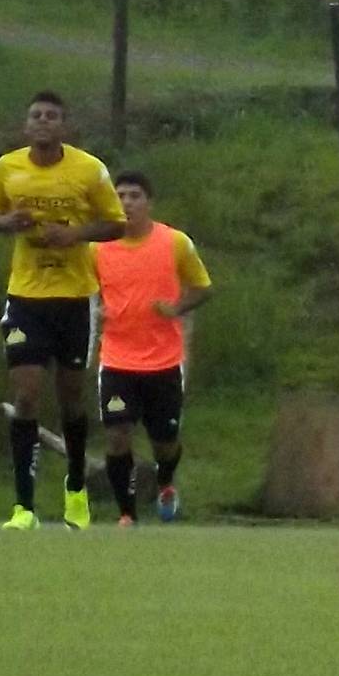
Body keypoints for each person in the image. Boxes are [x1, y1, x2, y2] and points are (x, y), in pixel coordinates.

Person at [0, 90, 125, 531]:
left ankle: (75, 490)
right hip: (25, 296)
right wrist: (8, 224)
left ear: (64, 126)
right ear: (26, 125)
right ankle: (23, 507)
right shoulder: (9, 167)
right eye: (36, 115)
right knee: (26, 393)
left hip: (74, 298)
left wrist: (75, 235)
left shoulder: (89, 170)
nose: (43, 121)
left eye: (52, 116)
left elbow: (116, 222)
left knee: (70, 398)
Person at [93, 171, 212, 526]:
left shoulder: (174, 243)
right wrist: (96, 310)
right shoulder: (98, 248)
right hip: (116, 359)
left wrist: (176, 308)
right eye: (120, 196)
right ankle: (126, 513)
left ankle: (165, 482)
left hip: (163, 360)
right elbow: (85, 289)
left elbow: (203, 288)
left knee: (165, 440)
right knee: (117, 435)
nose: (126, 203)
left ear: (149, 202)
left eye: (134, 196)